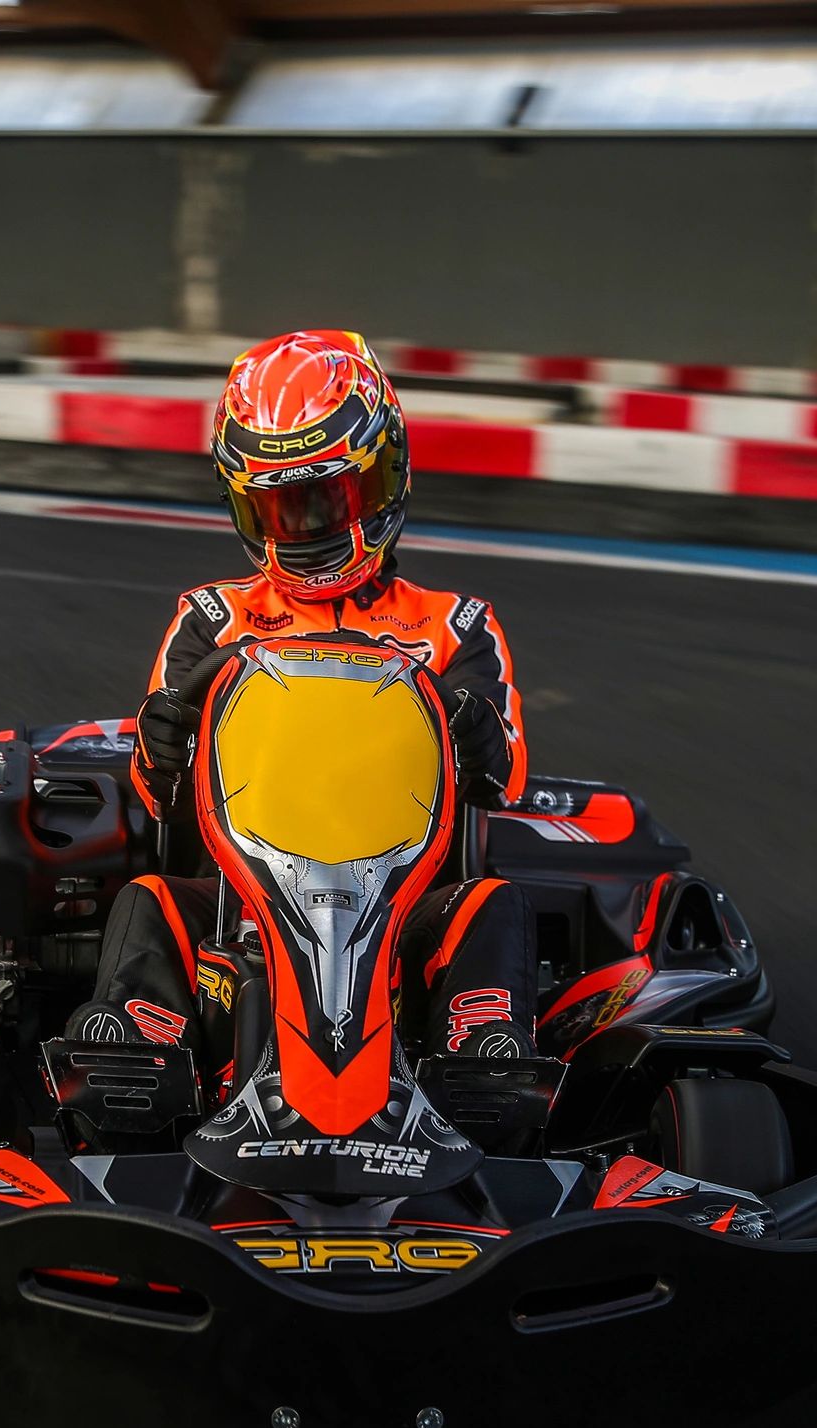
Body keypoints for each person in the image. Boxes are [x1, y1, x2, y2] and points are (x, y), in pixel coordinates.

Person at [76, 329, 536, 1068]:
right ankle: (138, 1047)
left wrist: (472, 727)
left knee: (493, 903)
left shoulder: (453, 626)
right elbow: (157, 797)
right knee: (150, 899)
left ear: (384, 477)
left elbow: (502, 780)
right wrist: (162, 744)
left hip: (403, 908)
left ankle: (478, 1053)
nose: (310, 529)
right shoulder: (212, 619)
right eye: (284, 511)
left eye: (328, 502)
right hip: (245, 907)